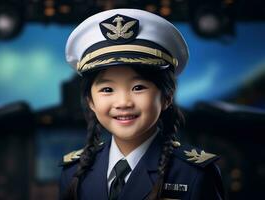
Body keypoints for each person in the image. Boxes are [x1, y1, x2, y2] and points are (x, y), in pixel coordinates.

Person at [59, 8, 225, 200]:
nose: (123, 103)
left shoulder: (193, 174)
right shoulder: (72, 173)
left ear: (167, 97)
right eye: (107, 89)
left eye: (138, 87)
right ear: (91, 102)